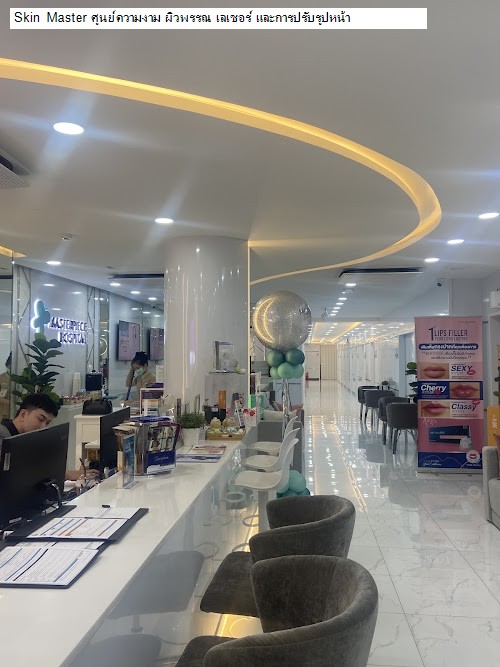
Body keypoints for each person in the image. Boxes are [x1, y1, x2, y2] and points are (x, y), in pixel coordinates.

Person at [0, 393, 97, 482]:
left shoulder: (27, 439)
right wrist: (67, 475)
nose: (43, 426)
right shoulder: (3, 437)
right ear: (23, 414)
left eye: (47, 423)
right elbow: (19, 475)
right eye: (40, 419)